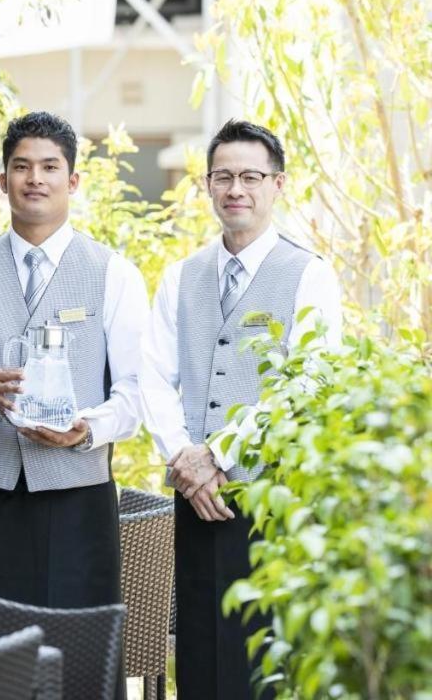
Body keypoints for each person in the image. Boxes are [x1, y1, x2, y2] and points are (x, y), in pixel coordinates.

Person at [0, 112, 147, 683]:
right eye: (21, 167)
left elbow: (135, 391)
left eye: (50, 167)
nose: (35, 179)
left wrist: (88, 429)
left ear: (72, 181)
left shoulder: (113, 273)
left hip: (79, 498)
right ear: (2, 180)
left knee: (82, 661)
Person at [139, 119, 342, 700]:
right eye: (223, 177)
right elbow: (154, 377)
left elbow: (309, 382)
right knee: (200, 652)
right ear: (207, 184)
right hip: (195, 498)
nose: (236, 189)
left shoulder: (310, 275)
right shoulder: (180, 277)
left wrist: (218, 453)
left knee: (265, 659)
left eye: (251, 177)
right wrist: (186, 461)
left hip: (274, 501)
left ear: (277, 184)